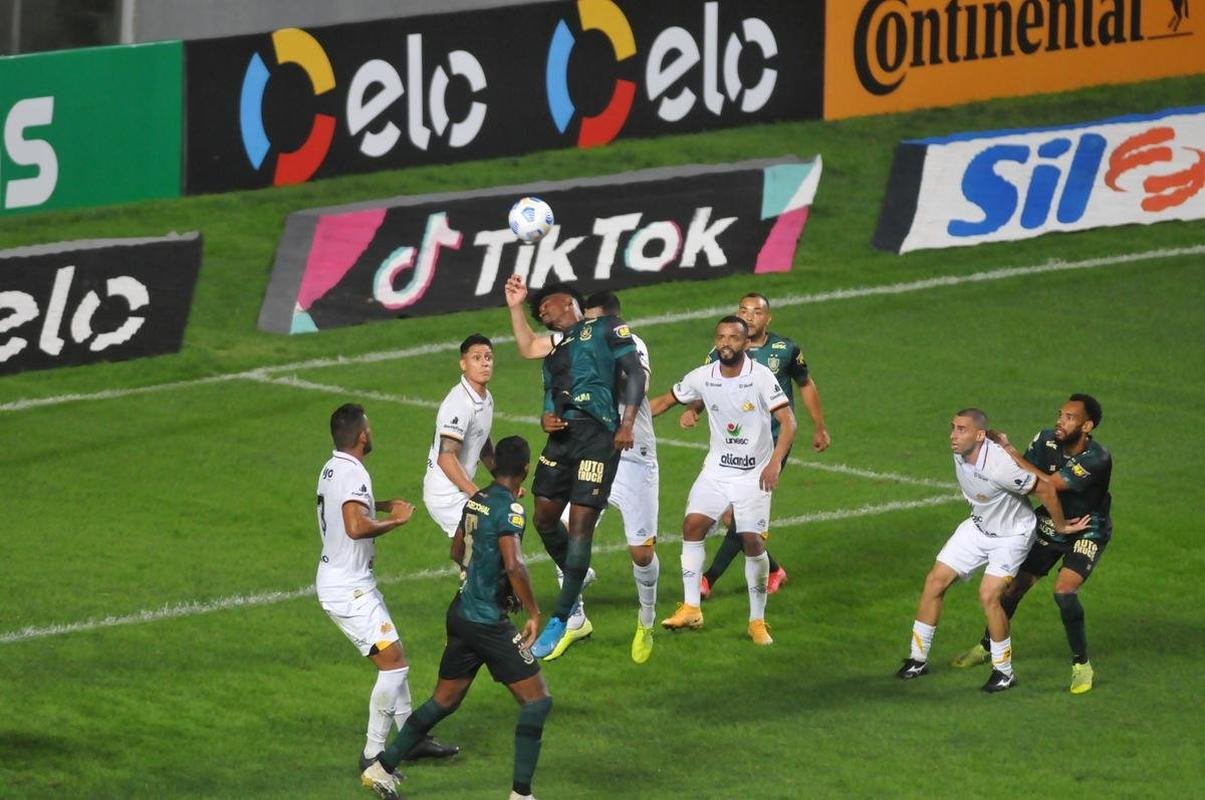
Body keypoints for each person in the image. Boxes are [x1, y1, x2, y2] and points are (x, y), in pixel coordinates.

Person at [360, 436, 552, 800]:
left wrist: (485, 578)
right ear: (526, 469)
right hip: (486, 622)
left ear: (495, 467)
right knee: (537, 701)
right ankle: (521, 795)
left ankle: (381, 767)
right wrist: (532, 611)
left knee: (444, 701)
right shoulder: (511, 510)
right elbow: (514, 563)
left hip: (462, 612)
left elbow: (455, 550)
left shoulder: (476, 499)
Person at [503, 278, 661, 663]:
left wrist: (625, 423)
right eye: (538, 313)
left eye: (546, 307)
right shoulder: (556, 349)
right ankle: (575, 576)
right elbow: (531, 355)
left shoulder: (609, 330)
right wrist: (515, 306)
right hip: (565, 440)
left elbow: (636, 375)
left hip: (610, 441)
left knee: (595, 533)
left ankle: (568, 616)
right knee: (542, 517)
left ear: (572, 303)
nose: (542, 314)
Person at [314, 404, 458, 783]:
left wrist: (380, 502)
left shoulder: (333, 468)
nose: (371, 432)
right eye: (369, 427)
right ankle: (373, 754)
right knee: (393, 665)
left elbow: (345, 505)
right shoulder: (352, 472)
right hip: (349, 589)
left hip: (346, 582)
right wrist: (396, 520)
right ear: (362, 435)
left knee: (396, 657)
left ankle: (411, 738)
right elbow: (355, 527)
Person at [895, 408, 1086, 692]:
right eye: (953, 427)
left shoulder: (999, 466)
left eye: (962, 429)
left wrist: (1060, 526)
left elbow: (1045, 489)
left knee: (989, 596)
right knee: (935, 581)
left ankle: (1004, 672)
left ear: (980, 435)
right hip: (979, 526)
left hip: (1011, 536)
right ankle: (917, 659)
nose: (953, 435)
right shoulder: (960, 452)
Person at [950, 394, 1113, 694]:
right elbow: (1023, 476)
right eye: (1060, 414)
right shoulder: (1045, 440)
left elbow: (1050, 485)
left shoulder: (1096, 459)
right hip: (1051, 523)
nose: (1060, 421)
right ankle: (987, 646)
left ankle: (1081, 665)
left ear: (1087, 426)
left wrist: (1009, 450)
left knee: (1064, 594)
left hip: (1086, 529)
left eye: (1069, 418)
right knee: (1012, 588)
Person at [649, 316, 796, 645]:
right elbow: (663, 401)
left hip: (752, 475)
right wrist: (627, 418)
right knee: (693, 526)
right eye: (721, 337)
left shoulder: (760, 377)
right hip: (716, 471)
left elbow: (788, 422)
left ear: (745, 344)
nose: (726, 343)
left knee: (752, 542)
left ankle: (757, 621)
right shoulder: (703, 376)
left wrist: (774, 464)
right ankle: (691, 607)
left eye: (733, 337)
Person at [680, 292, 830, 600]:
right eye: (743, 311)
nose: (749, 316)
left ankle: (708, 579)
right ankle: (774, 569)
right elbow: (708, 383)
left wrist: (819, 426)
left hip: (772, 443)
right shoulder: (721, 349)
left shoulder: (785, 349)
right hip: (735, 447)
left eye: (756, 312)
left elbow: (806, 384)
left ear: (767, 318)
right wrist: (693, 408)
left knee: (736, 518)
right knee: (731, 518)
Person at [423, 334, 496, 539]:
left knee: (485, 548)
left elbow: (482, 441)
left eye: (488, 357)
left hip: (460, 490)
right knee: (490, 541)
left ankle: (466, 567)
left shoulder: (485, 397)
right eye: (477, 358)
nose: (484, 363)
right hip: (445, 496)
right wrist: (476, 494)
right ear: (463, 364)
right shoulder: (459, 404)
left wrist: (502, 480)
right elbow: (446, 458)